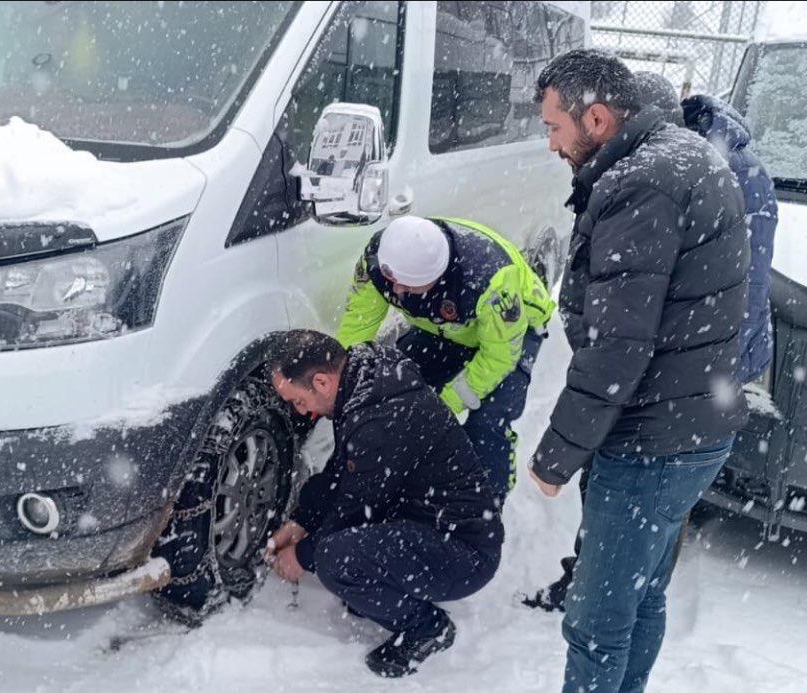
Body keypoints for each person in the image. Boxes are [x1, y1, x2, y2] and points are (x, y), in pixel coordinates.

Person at [526, 50, 750, 693]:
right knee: (643, 595)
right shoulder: (682, 156)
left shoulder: (643, 182)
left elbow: (618, 346)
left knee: (596, 620)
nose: (550, 144)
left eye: (553, 127)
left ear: (595, 117)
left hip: (653, 438)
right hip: (695, 420)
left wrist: (557, 456)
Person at [264, 329, 503, 678]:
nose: (299, 410)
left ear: (322, 381)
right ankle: (391, 587)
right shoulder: (365, 383)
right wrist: (301, 520)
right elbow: (342, 472)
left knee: (335, 560)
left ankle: (426, 628)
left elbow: (355, 508)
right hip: (431, 522)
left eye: (298, 400)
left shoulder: (379, 418)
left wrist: (301, 556)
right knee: (344, 556)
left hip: (463, 552)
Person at [336, 215, 555, 498]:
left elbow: (498, 357)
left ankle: (488, 497)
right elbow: (358, 322)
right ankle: (395, 479)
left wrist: (445, 404)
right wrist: (346, 382)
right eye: (394, 284)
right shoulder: (380, 260)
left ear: (437, 278)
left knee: (488, 421)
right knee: (393, 385)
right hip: (445, 330)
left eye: (410, 288)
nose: (398, 292)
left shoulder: (490, 282)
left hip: (513, 333)